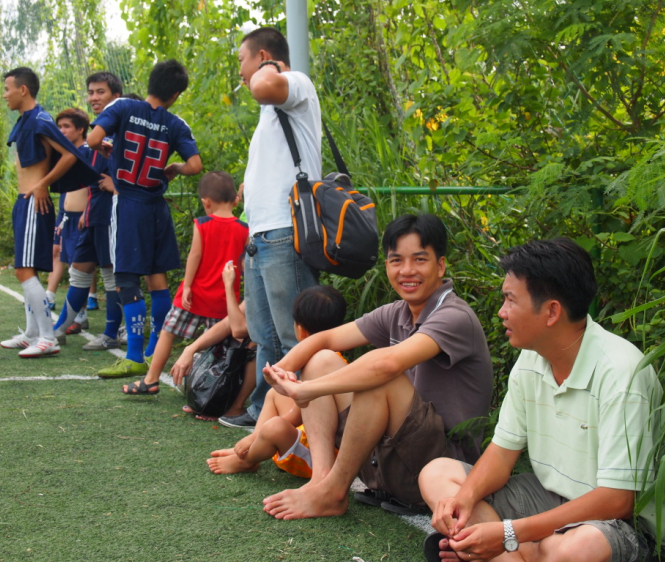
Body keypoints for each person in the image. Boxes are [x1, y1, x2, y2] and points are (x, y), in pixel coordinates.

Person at [419, 238, 665, 562]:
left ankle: (511, 550)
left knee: (579, 547)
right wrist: (463, 500)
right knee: (437, 474)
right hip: (548, 498)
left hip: (618, 523)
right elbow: (502, 455)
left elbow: (618, 501)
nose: (501, 312)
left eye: (510, 300)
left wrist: (510, 534)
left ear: (551, 312)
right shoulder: (531, 360)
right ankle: (522, 552)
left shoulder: (621, 374)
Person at [261, 213, 493, 520]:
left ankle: (333, 491)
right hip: (388, 466)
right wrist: (284, 370)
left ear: (440, 266)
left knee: (383, 378)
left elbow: (387, 364)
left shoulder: (454, 316)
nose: (407, 270)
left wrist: (306, 390)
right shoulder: (397, 312)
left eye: (419, 260)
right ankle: (322, 480)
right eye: (396, 261)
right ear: (386, 266)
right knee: (321, 360)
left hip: (441, 472)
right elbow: (325, 339)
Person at [222, 27, 321, 429]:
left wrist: (266, 69)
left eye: (242, 62)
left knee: (295, 334)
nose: (241, 74)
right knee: (266, 334)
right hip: (260, 234)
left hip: (284, 231)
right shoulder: (270, 110)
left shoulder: (294, 83)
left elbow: (263, 84)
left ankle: (312, 419)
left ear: (262, 57)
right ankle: (266, 410)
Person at [87, 59, 202, 378]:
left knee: (126, 279)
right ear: (176, 93)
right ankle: (154, 351)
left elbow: (94, 140)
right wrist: (174, 168)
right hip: (157, 207)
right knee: (157, 279)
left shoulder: (123, 107)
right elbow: (194, 164)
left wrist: (110, 148)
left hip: (128, 205)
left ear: (150, 82)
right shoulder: (176, 123)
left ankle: (134, 355)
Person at [0, 67, 99, 358]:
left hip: (34, 202)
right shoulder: (26, 121)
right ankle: (32, 333)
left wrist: (43, 184)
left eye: (7, 89)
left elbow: (71, 153)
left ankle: (47, 337)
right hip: (24, 202)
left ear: (23, 90)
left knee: (23, 270)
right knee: (25, 268)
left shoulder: (41, 119)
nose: (5, 95)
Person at [121, 171, 247, 394]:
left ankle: (151, 380)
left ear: (205, 202)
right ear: (235, 201)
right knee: (219, 349)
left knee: (168, 332)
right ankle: (212, 391)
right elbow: (244, 265)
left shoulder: (202, 224)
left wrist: (187, 285)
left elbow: (194, 256)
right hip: (223, 300)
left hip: (194, 294)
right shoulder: (244, 229)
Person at [206, 285, 348, 477]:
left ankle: (247, 460)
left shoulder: (320, 362)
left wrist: (259, 434)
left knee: (275, 428)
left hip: (321, 457)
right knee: (274, 394)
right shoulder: (332, 355)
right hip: (319, 436)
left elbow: (298, 413)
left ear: (300, 330)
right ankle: (254, 445)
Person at [51, 71, 124, 350]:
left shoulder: (121, 131)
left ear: (115, 96)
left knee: (110, 275)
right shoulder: (97, 132)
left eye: (101, 92)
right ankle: (56, 330)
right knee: (79, 271)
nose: (94, 97)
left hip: (111, 217)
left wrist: (115, 184)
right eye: (91, 92)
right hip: (91, 216)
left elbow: (132, 174)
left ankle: (110, 333)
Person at [49, 109, 93, 333]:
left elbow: (92, 185)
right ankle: (78, 316)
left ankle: (79, 316)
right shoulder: (67, 153)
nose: (61, 131)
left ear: (80, 129)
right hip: (67, 218)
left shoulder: (87, 152)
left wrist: (87, 210)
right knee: (69, 266)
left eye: (66, 126)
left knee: (80, 268)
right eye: (59, 127)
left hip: (82, 219)